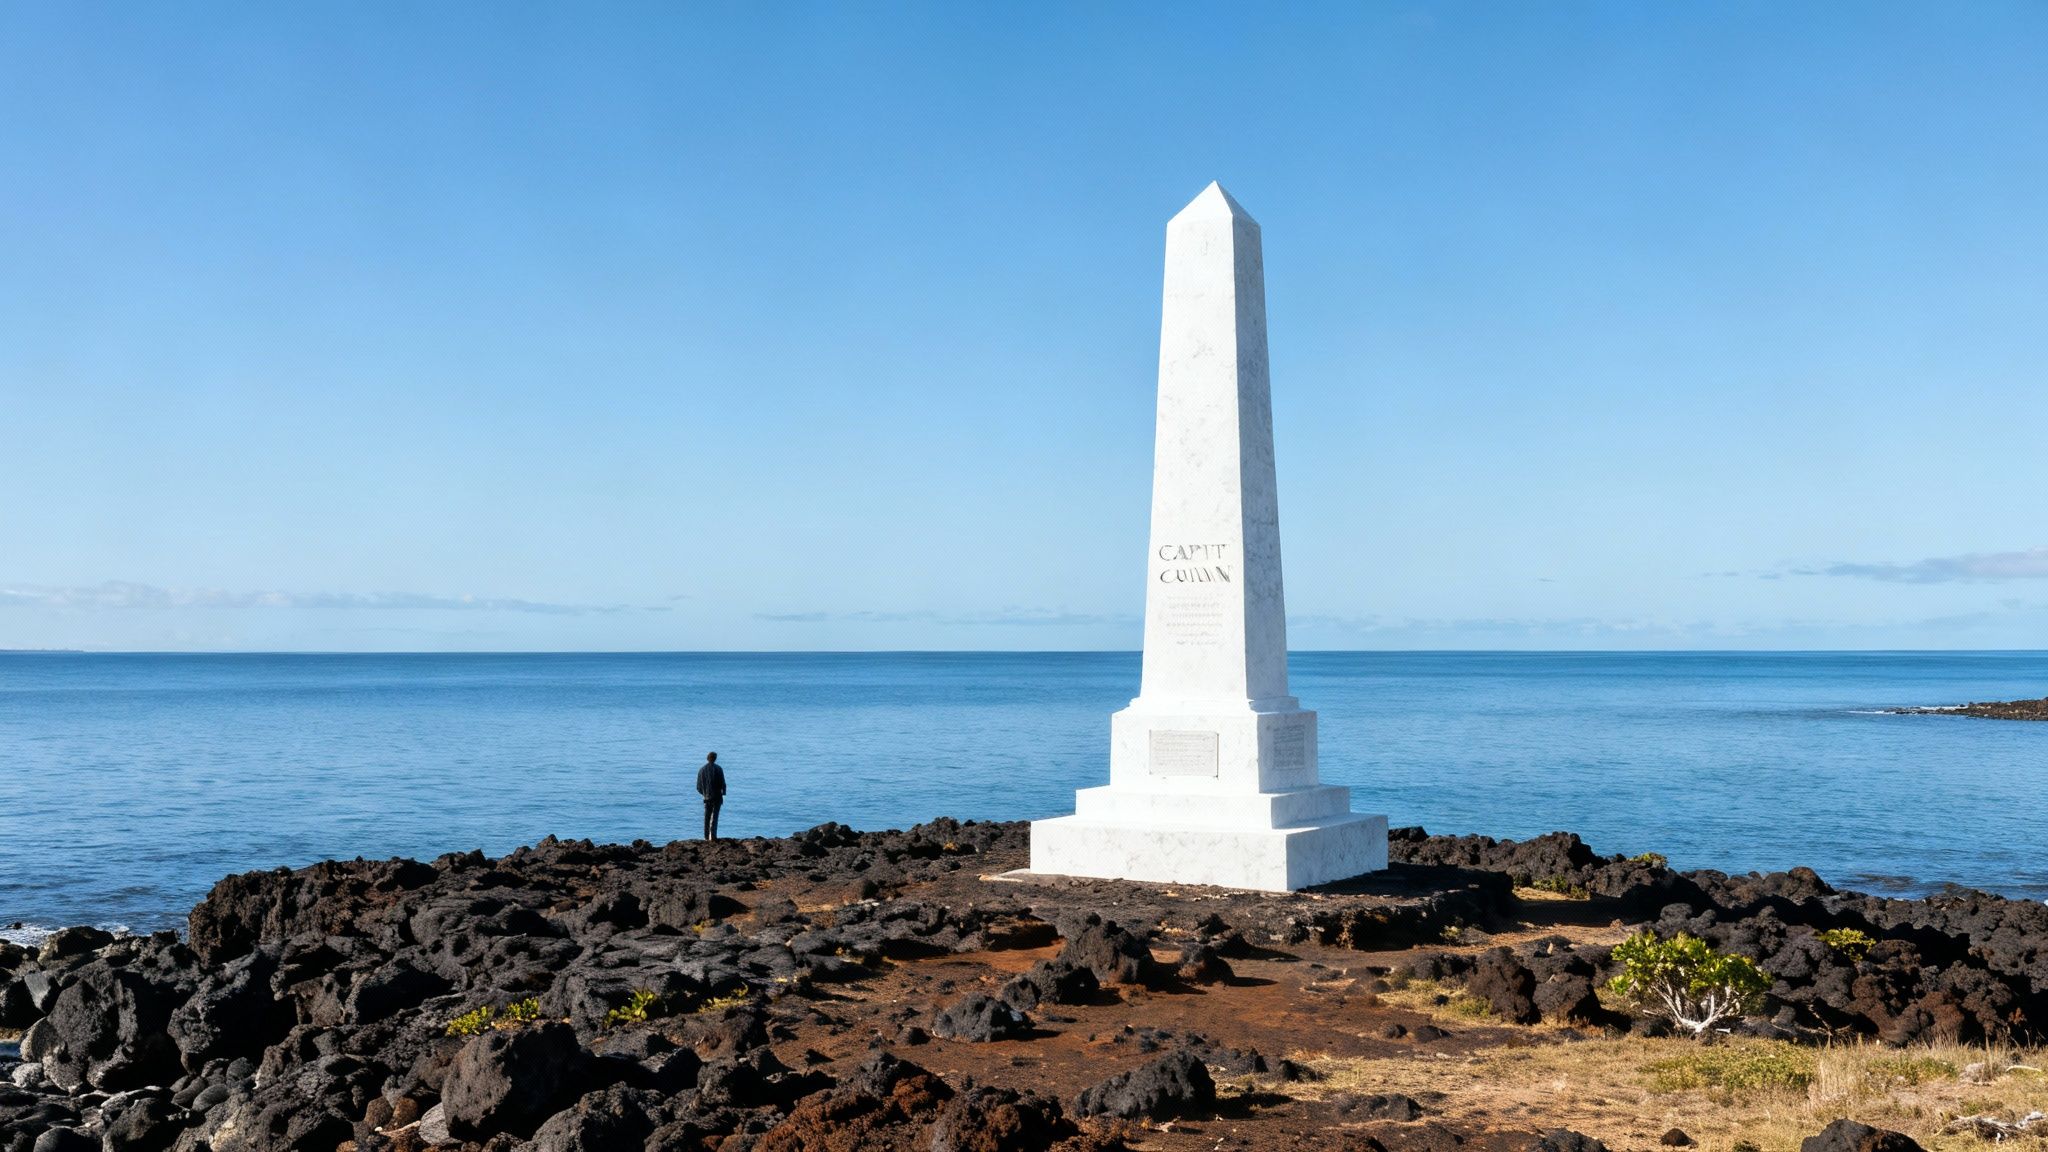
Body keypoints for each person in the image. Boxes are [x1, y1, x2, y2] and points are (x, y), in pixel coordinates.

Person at [695, 752, 727, 841]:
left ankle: (706, 837)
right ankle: (712, 836)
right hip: (717, 797)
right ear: (715, 758)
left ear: (707, 758)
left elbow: (698, 787)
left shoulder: (701, 770)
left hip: (706, 797)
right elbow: (723, 783)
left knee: (707, 817)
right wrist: (723, 793)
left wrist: (704, 793)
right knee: (714, 817)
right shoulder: (718, 769)